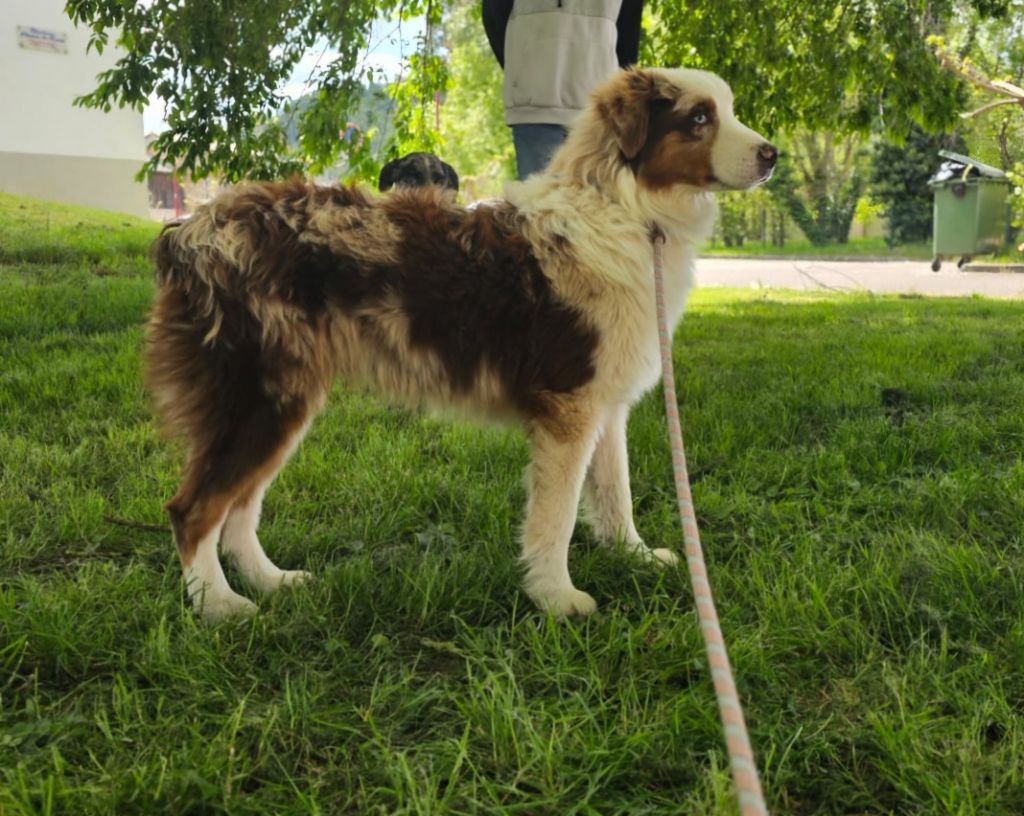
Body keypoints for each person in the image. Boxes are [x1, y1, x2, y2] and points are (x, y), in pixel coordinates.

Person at [482, 0, 644, 180]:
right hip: (535, 106)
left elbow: (628, 32)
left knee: (597, 203)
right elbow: (495, 17)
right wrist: (521, 67)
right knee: (539, 203)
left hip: (597, 112)